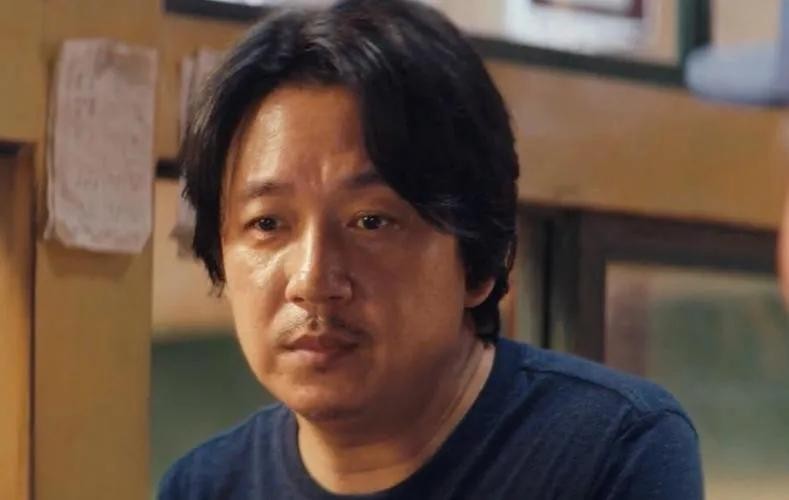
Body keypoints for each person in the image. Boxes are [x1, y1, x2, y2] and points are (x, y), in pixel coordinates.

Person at [159, 1, 703, 498]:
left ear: (477, 258)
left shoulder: (611, 449)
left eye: (371, 221)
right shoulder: (203, 486)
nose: (313, 280)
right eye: (267, 223)